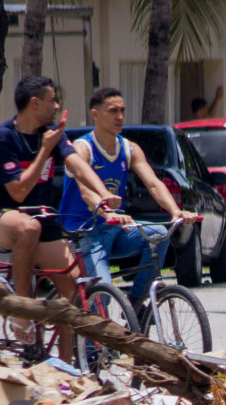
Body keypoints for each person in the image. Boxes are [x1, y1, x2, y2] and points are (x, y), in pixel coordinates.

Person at [0, 75, 116, 360]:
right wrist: (44, 150)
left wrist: (104, 196)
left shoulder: (54, 135)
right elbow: (18, 191)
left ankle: (65, 368)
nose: (57, 105)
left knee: (73, 289)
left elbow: (77, 165)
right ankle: (22, 310)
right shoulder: (3, 138)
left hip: (41, 218)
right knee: (28, 228)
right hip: (1, 214)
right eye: (53, 100)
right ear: (35, 103)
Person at [59, 86, 193, 308]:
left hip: (115, 230)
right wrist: (108, 212)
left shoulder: (129, 148)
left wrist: (175, 210)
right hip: (85, 234)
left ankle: (135, 302)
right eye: (113, 111)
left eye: (122, 110)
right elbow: (86, 192)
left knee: (159, 233)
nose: (120, 116)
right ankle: (93, 344)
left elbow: (153, 183)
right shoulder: (83, 148)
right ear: (95, 114)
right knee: (102, 297)